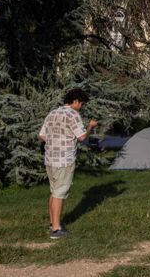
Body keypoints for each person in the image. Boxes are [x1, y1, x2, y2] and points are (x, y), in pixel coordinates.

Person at [38, 88, 98, 239]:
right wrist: (90, 127)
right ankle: (56, 230)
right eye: (82, 104)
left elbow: (41, 136)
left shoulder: (52, 113)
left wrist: (55, 140)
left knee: (54, 192)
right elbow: (82, 137)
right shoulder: (73, 114)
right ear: (76, 101)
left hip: (50, 159)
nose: (82, 107)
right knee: (60, 193)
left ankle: (53, 223)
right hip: (64, 160)